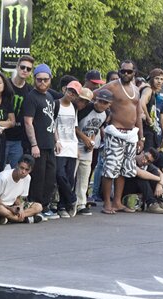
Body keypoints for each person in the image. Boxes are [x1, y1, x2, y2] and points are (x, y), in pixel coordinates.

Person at [99, 60, 145, 214]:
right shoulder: (112, 86)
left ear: (134, 73)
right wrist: (102, 117)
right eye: (123, 71)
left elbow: (138, 114)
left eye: (129, 71)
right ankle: (107, 203)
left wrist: (141, 137)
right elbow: (93, 96)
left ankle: (117, 202)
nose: (125, 74)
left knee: (124, 170)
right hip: (115, 133)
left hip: (131, 134)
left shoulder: (136, 90)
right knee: (110, 168)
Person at [23, 64, 59, 220]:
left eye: (45, 79)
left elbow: (53, 120)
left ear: (50, 79)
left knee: (50, 178)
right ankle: (35, 206)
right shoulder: (32, 97)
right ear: (34, 79)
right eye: (39, 79)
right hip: (38, 145)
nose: (42, 83)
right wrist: (34, 144)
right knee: (38, 177)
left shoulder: (50, 96)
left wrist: (57, 140)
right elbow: (28, 122)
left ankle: (44, 206)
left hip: (50, 143)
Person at [75, 88, 111, 216]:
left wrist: (91, 142)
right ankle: (69, 202)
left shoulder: (105, 114)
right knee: (72, 175)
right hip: (75, 144)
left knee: (85, 176)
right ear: (95, 100)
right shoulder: (86, 108)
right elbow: (73, 126)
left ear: (109, 104)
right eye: (100, 101)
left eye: (105, 103)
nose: (101, 104)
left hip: (87, 148)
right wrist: (84, 138)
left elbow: (96, 128)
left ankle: (81, 203)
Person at [54, 81, 82, 218]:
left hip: (71, 144)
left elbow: (73, 127)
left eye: (75, 93)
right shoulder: (56, 104)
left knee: (70, 177)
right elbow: (52, 125)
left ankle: (63, 206)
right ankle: (72, 199)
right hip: (60, 145)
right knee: (59, 174)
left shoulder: (74, 107)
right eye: (70, 91)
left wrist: (76, 147)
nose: (71, 94)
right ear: (65, 89)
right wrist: (57, 140)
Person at [0, 155, 43, 223]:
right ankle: (23, 219)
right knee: (0, 209)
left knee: (38, 207)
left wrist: (20, 208)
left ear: (30, 170)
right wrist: (10, 209)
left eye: (27, 170)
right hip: (1, 205)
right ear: (17, 166)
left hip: (13, 205)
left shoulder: (27, 178)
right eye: (21, 168)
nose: (23, 172)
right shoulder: (3, 178)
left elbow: (19, 198)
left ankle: (12, 218)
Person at [5, 55, 34, 168]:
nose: (25, 70)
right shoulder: (5, 85)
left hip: (18, 139)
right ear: (17, 67)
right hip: (2, 136)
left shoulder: (30, 91)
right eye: (22, 67)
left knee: (16, 172)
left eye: (28, 69)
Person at [140, 69, 163, 150]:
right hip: (146, 132)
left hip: (157, 134)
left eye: (161, 79)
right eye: (157, 78)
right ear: (151, 79)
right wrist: (148, 118)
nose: (159, 81)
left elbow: (162, 119)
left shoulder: (159, 99)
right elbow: (141, 103)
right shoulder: (148, 90)